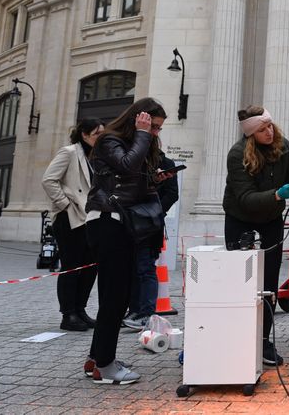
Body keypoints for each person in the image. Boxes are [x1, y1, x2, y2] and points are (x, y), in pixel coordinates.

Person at [83, 97, 173, 384]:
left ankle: (97, 359)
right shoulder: (109, 140)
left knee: (117, 295)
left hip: (122, 223)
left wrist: (155, 179)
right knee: (114, 297)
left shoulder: (132, 143)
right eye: (154, 127)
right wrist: (144, 135)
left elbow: (131, 179)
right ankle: (105, 366)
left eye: (158, 129)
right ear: (139, 120)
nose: (156, 133)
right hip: (109, 222)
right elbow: (126, 166)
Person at [223, 106, 289, 367]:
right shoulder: (237, 154)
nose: (269, 131)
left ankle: (263, 341)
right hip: (240, 218)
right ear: (251, 134)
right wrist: (277, 194)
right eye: (262, 129)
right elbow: (244, 198)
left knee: (268, 285)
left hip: (271, 221)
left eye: (270, 125)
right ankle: (236, 338)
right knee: (241, 283)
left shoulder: (282, 145)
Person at [41, 118, 104, 332]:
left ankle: (80, 309)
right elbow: (49, 180)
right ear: (84, 134)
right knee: (71, 266)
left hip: (92, 217)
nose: (100, 137)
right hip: (70, 217)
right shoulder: (68, 152)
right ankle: (68, 315)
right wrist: (65, 204)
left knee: (90, 266)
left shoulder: (96, 157)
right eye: (97, 133)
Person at [123, 151, 179, 330]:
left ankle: (146, 313)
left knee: (146, 268)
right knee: (132, 269)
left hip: (151, 223)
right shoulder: (132, 161)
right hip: (131, 222)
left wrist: (154, 211)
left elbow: (172, 194)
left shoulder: (166, 162)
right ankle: (134, 310)